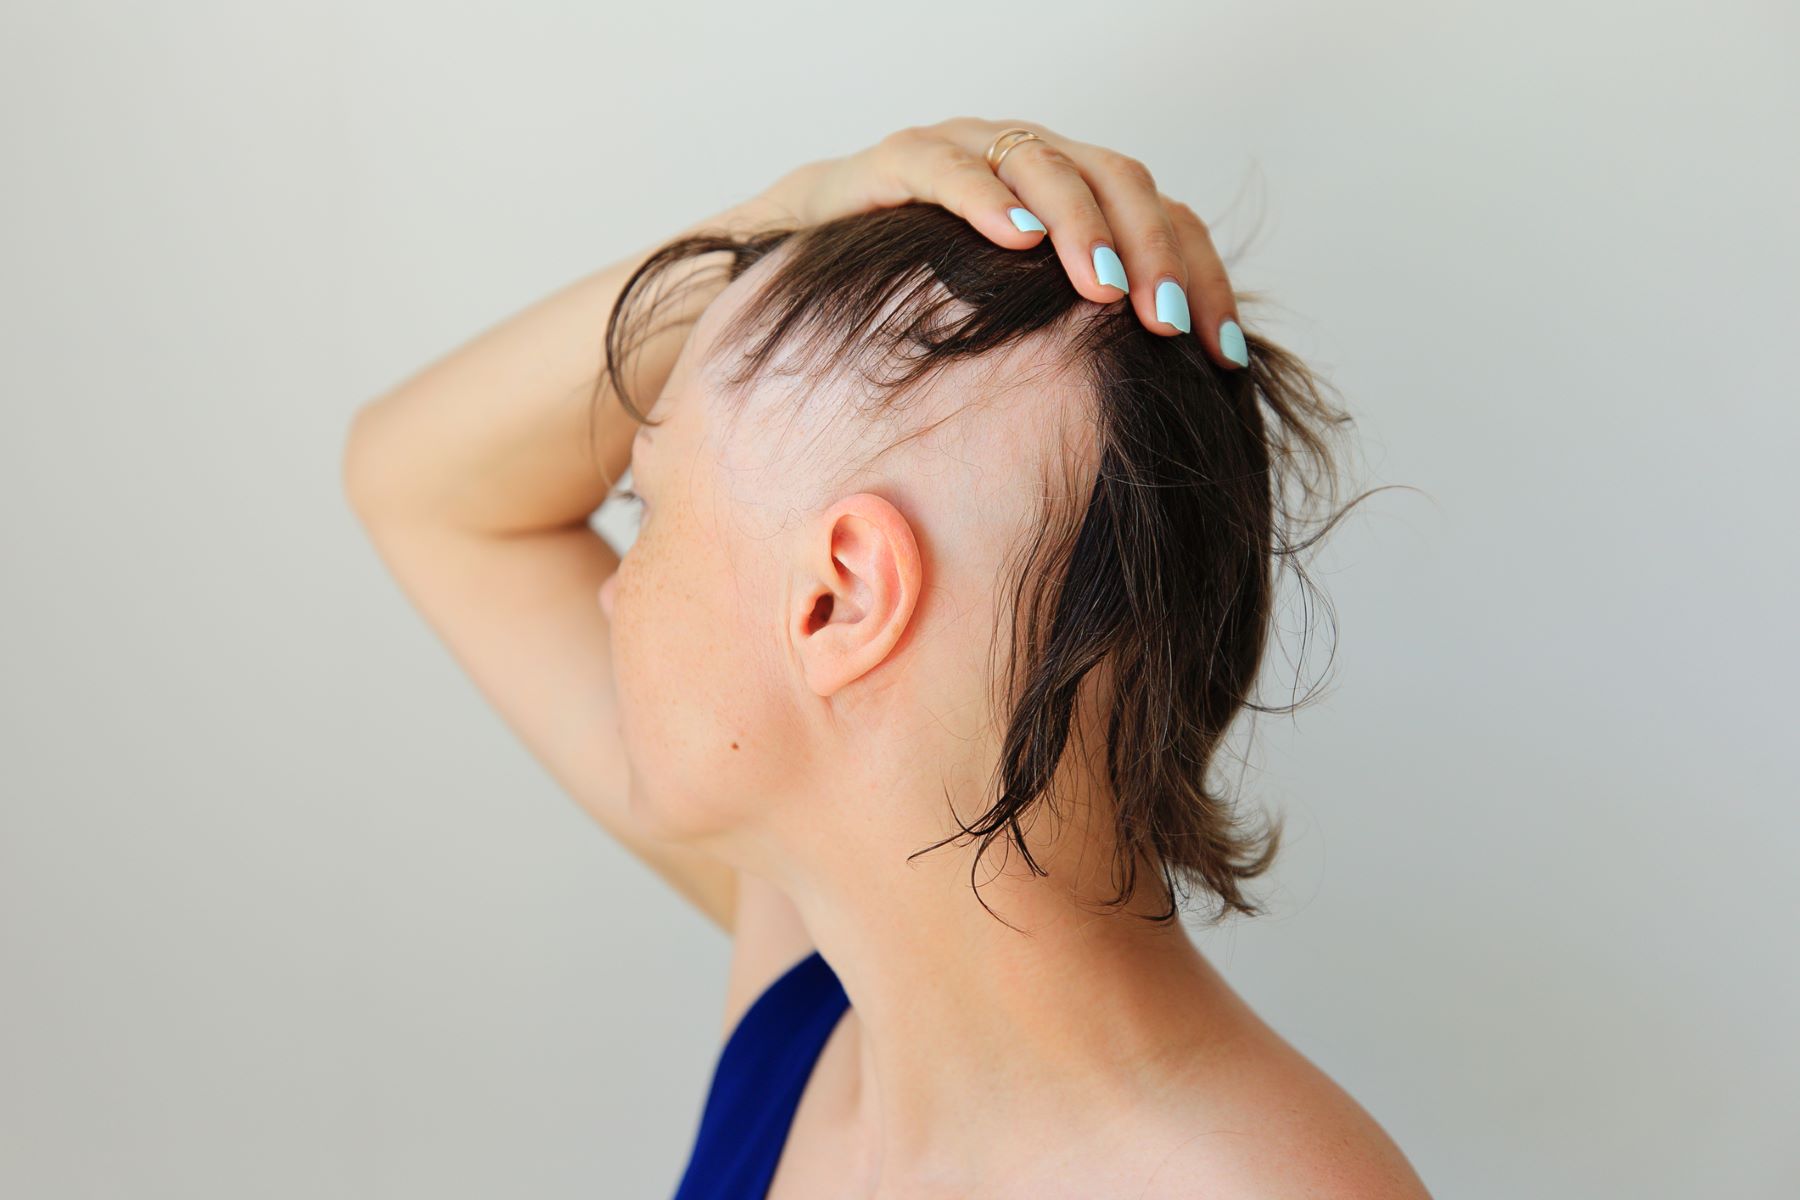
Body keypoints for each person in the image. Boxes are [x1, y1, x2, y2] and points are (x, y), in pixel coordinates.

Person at [343, 117, 1433, 1199]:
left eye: (648, 502)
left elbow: (433, 498)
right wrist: (800, 209)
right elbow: (419, 488)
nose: (610, 589)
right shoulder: (818, 963)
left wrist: (787, 223)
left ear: (839, 599)